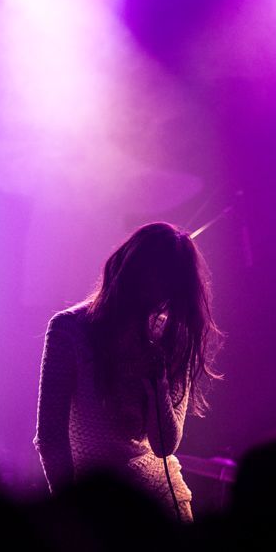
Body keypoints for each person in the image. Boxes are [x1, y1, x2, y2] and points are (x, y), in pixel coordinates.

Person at [34, 222, 221, 522]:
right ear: (126, 270)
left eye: (162, 290)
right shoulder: (68, 330)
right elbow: (50, 437)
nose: (149, 296)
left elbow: (164, 446)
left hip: (157, 495)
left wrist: (157, 383)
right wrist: (70, 515)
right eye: (145, 282)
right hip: (93, 497)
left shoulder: (174, 336)